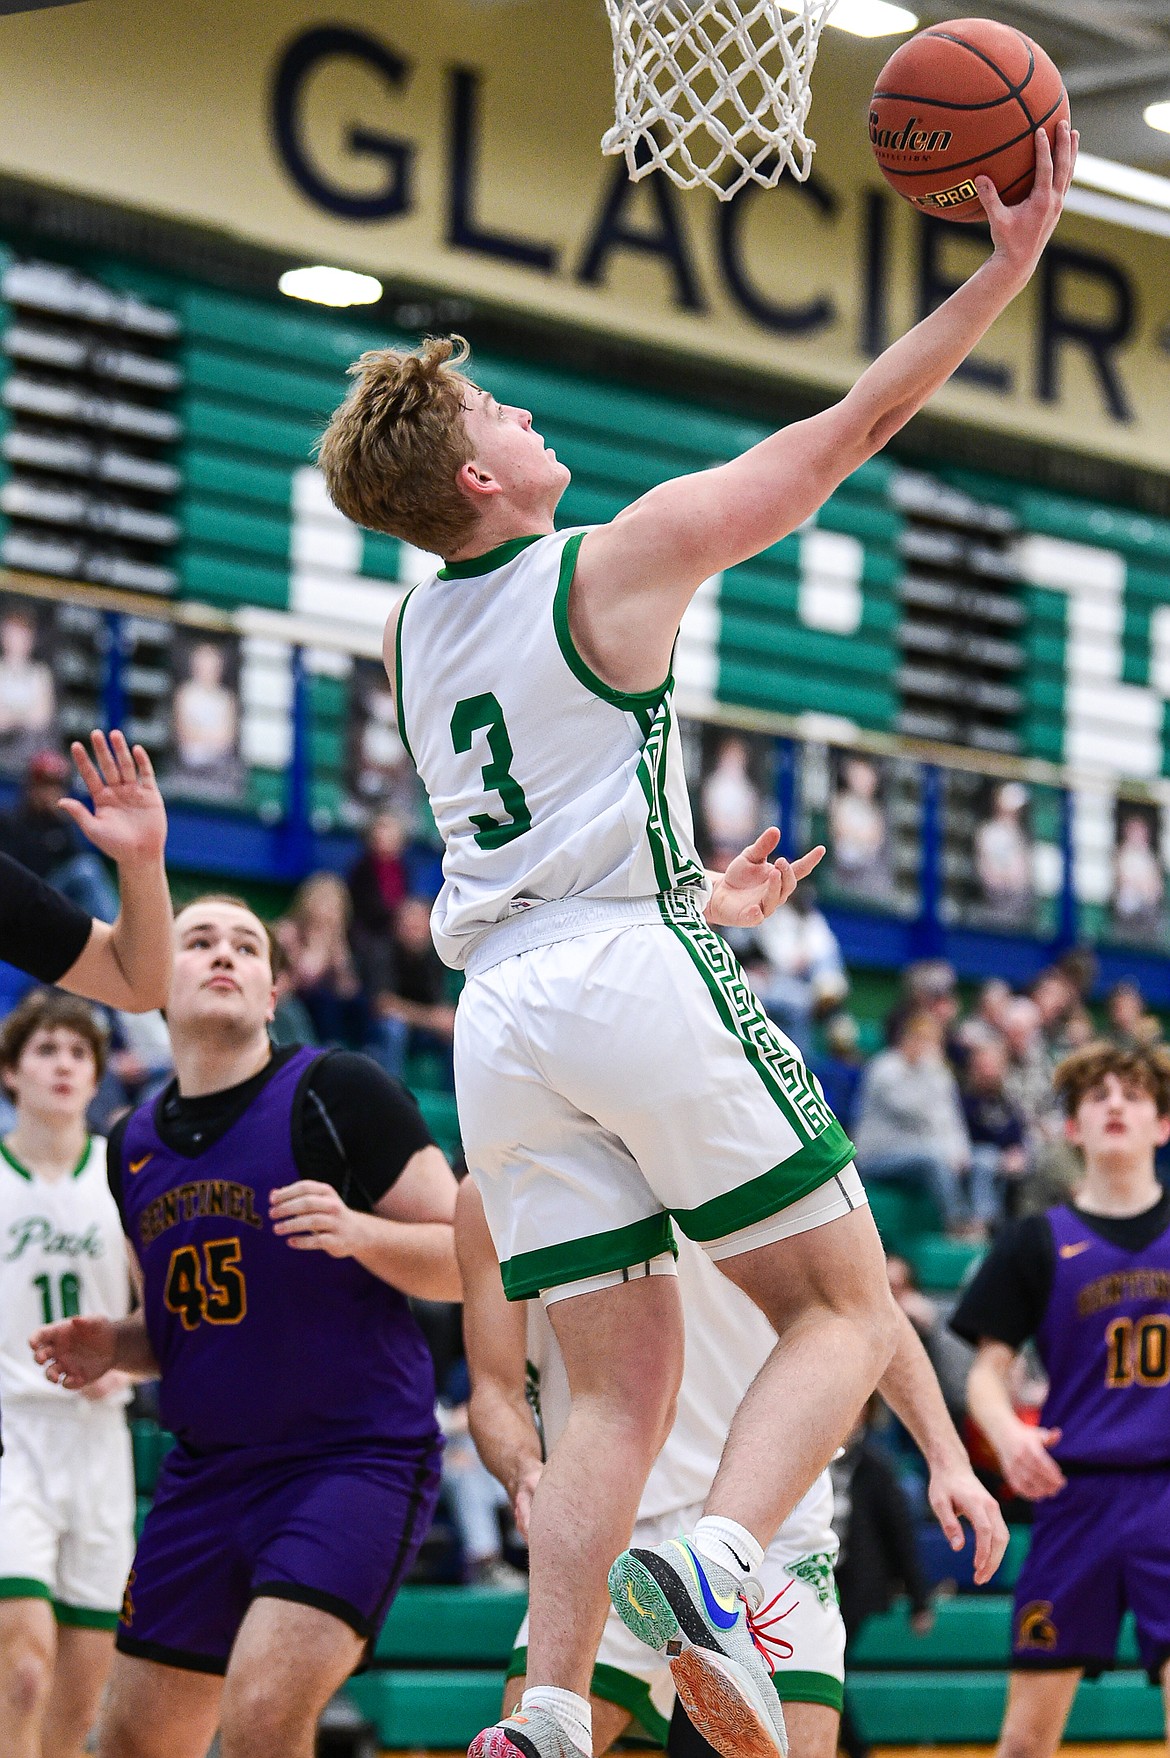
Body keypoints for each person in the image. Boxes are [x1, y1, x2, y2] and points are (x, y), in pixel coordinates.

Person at [317, 122, 1074, 1758]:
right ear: (477, 479)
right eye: (500, 414)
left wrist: (683, 893)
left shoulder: (412, 623)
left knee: (620, 1388)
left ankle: (543, 1703)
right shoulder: (615, 559)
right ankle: (719, 1563)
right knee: (855, 1304)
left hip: (501, 1016)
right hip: (622, 967)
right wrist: (999, 271)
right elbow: (853, 425)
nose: (527, 417)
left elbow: (550, 801)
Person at [30, 895, 460, 1758]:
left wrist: (358, 1232)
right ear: (158, 982)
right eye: (198, 941)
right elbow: (182, 1328)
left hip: (351, 1459)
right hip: (207, 1475)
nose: (224, 954)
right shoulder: (131, 1145)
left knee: (264, 1712)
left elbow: (467, 1261)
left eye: (246, 945)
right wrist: (113, 1344)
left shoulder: (342, 1091)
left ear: (272, 993)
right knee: (130, 1743)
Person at [455, 1177, 1005, 1758]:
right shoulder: (496, 1183)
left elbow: (867, 1305)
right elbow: (494, 1390)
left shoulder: (745, 1119)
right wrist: (522, 1470)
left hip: (764, 1524)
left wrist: (948, 1458)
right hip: (610, 1524)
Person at [950, 1042, 1170, 1758]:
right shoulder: (1033, 1242)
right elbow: (987, 1372)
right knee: (1022, 1745)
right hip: (1075, 1497)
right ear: (1071, 1127)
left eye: (1132, 1095)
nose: (1114, 1105)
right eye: (1097, 1096)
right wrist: (1008, 1433)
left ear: (1161, 1125)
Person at [0, 992, 133, 1758]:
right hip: (13, 1434)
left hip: (98, 1440)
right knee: (21, 1673)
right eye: (46, 1050)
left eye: (79, 1053)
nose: (63, 1065)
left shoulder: (119, 1178)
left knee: (77, 1711)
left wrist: (132, 1365)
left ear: (97, 1076)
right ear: (12, 1072)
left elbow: (167, 1311)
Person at [0, 731, 171, 1017]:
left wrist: (142, 860)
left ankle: (119, 930)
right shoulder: (12, 823)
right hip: (38, 898)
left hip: (39, 902)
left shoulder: (62, 828)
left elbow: (139, 988)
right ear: (30, 786)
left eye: (56, 785)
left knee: (85, 874)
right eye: (44, 784)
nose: (50, 792)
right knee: (85, 873)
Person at [852, 1010, 975, 1238]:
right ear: (907, 1039)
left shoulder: (935, 1073)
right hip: (877, 1156)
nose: (927, 1047)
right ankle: (957, 1223)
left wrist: (959, 1151)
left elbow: (949, 1116)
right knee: (932, 1159)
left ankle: (982, 1223)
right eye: (922, 1039)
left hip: (919, 1154)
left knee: (982, 1159)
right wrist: (932, 1071)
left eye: (931, 1041)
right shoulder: (884, 1068)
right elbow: (914, 1110)